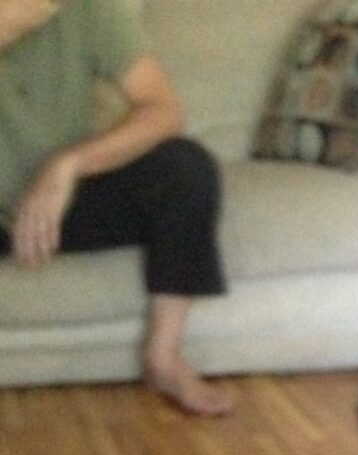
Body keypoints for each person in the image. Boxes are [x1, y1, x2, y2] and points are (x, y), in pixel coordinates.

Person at [1, 0, 233, 416]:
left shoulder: (86, 8)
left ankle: (163, 359)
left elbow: (162, 109)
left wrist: (67, 166)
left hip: (57, 204)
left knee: (185, 167)